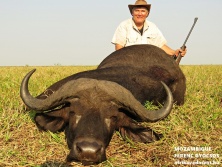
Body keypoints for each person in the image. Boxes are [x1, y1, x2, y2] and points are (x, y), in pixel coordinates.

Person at [111, 0, 187, 58]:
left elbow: (161, 45)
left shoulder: (152, 27)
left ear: (147, 14)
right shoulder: (124, 26)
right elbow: (119, 50)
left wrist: (174, 52)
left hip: (149, 64)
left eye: (143, 11)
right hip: (129, 63)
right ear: (132, 13)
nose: (140, 14)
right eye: (137, 11)